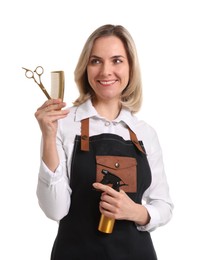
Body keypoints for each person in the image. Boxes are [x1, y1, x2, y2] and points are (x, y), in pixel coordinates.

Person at [35, 24, 173, 260]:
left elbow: (164, 206)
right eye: (96, 61)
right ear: (85, 68)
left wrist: (136, 212)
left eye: (117, 60)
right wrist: (48, 135)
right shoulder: (64, 125)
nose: (106, 71)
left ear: (130, 67)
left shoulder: (144, 133)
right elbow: (55, 210)